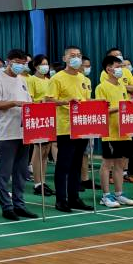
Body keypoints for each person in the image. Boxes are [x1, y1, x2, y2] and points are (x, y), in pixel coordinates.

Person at [0, 50, 38, 221]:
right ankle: (7, 207)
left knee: (21, 172)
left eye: (23, 63)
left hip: (23, 131)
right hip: (6, 133)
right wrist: (14, 103)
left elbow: (28, 102)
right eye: (17, 62)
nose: (20, 66)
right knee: (4, 172)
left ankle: (19, 204)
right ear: (8, 61)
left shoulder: (22, 80)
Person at [51, 47, 93, 213]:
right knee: (64, 165)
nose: (76, 58)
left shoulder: (84, 79)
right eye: (72, 55)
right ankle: (61, 200)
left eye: (78, 56)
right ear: (65, 58)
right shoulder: (57, 78)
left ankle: (74, 197)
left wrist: (99, 103)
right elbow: (48, 100)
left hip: (81, 126)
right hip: (65, 127)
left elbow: (86, 101)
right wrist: (66, 101)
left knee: (77, 164)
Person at [95, 56, 133, 208]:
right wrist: (121, 107)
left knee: (120, 164)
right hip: (110, 132)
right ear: (109, 69)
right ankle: (105, 196)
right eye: (118, 66)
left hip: (124, 131)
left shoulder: (122, 86)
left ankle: (119, 194)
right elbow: (101, 110)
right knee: (107, 164)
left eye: (122, 66)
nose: (121, 69)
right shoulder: (101, 87)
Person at [26, 54, 54, 196]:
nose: (45, 67)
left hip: (49, 117)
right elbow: (29, 100)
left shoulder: (49, 81)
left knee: (46, 151)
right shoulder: (31, 80)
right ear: (36, 66)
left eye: (47, 64)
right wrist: (41, 102)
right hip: (37, 117)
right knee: (39, 149)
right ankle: (37, 183)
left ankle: (43, 181)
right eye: (43, 64)